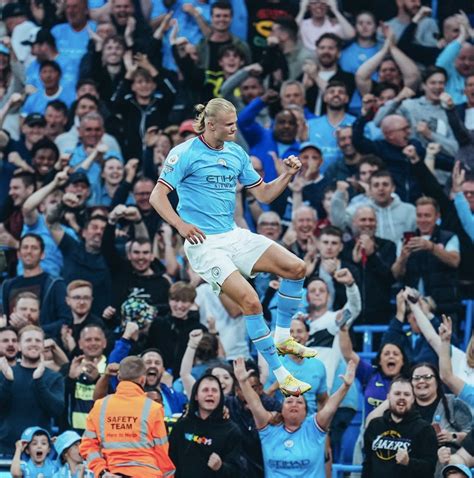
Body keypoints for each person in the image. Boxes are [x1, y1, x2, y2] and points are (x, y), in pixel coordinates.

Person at [150, 98, 317, 397]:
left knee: (297, 268)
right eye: (229, 124)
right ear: (211, 124)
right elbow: (157, 197)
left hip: (233, 235)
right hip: (204, 244)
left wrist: (288, 175)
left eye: (236, 123)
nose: (234, 128)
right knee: (251, 302)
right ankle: (282, 374)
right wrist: (180, 224)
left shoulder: (236, 153)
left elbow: (264, 195)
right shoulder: (184, 153)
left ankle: (282, 336)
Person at [234, 356, 355, 477]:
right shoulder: (270, 428)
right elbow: (255, 404)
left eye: (299, 402)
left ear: (306, 411)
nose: (294, 404)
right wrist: (243, 383)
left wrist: (345, 387)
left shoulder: (314, 427)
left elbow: (330, 407)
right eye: (289, 401)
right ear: (281, 408)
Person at [80, 355, 175, 478]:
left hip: (112, 473)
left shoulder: (100, 406)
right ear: (143, 379)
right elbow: (161, 451)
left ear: (119, 377)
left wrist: (102, 472)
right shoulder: (154, 408)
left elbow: (87, 446)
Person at [0, 325, 65, 456]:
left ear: (43, 346)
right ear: (18, 346)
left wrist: (38, 381)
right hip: (5, 449)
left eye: (38, 340)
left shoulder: (54, 377)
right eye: (28, 340)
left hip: (39, 453)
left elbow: (57, 410)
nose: (33, 344)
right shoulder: (5, 374)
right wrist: (7, 381)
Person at [362, 376, 438, 478]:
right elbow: (368, 464)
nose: (402, 397)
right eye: (397, 394)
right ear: (388, 397)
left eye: (406, 394)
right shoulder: (375, 425)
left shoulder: (424, 429)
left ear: (413, 399)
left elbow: (430, 468)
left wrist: (409, 462)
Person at [169, 373, 242, 478]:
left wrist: (221, 467)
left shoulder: (231, 431)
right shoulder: (181, 426)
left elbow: (237, 472)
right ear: (196, 396)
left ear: (220, 396)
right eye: (205, 390)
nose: (210, 394)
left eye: (214, 390)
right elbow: (169, 461)